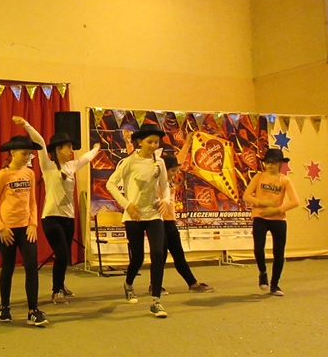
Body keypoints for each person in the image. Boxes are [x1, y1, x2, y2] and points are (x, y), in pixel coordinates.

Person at [14, 116, 100, 304]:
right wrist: (26, 124)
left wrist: (96, 148)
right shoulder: (47, 165)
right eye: (68, 147)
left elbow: (86, 158)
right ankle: (56, 290)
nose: (71, 151)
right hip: (51, 218)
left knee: (65, 256)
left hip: (68, 219)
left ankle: (60, 284)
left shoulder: (71, 166)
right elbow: (40, 141)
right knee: (61, 254)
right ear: (58, 149)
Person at [105, 125, 171, 318]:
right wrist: (127, 205)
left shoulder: (160, 162)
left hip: (154, 215)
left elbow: (165, 185)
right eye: (149, 142)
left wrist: (166, 200)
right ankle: (129, 284)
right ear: (140, 142)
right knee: (138, 257)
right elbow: (110, 184)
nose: (153, 145)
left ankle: (156, 301)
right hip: (134, 217)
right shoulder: (130, 162)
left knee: (158, 253)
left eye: (156, 142)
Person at [0, 134, 48, 326]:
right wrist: (1, 227)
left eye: (29, 154)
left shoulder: (30, 174)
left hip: (26, 228)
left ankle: (33, 310)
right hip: (8, 230)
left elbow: (32, 202)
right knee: (8, 267)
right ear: (12, 152)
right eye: (23, 153)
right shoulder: (2, 175)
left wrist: (33, 224)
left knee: (32, 267)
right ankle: (4, 307)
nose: (27, 157)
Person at [243, 148, 300, 296]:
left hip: (278, 219)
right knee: (258, 248)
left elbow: (295, 201)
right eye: (267, 162)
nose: (270, 165)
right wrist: (261, 203)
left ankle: (275, 284)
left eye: (273, 163)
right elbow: (246, 196)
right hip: (260, 217)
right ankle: (262, 273)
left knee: (279, 253)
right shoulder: (258, 177)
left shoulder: (285, 180)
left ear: (280, 163)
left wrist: (276, 210)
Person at [161, 155, 215, 293]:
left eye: (176, 170)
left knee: (178, 254)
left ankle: (193, 284)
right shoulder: (157, 183)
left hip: (170, 222)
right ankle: (154, 285)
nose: (176, 173)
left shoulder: (169, 181)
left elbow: (179, 159)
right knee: (160, 256)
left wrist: (187, 144)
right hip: (159, 222)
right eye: (172, 171)